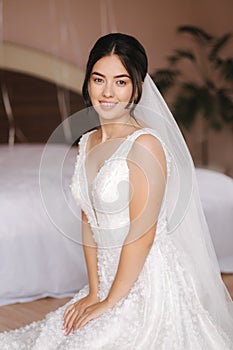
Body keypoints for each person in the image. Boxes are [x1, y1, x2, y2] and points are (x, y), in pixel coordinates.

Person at [0, 33, 233, 349]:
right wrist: (95, 291)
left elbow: (143, 235)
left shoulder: (145, 145)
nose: (107, 92)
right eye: (99, 80)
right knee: (50, 337)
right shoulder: (88, 142)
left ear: (136, 88)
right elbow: (88, 220)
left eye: (120, 82)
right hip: (107, 280)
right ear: (88, 83)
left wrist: (110, 302)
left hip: (147, 282)